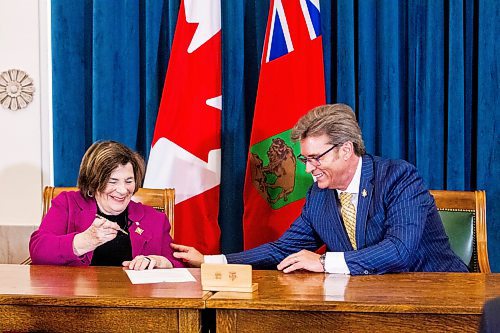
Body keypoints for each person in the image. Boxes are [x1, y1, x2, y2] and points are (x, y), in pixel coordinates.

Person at [172, 103, 468, 275]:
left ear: (346, 150)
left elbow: (399, 251)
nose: (308, 168)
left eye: (316, 158)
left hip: (438, 297)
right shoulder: (319, 195)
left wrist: (324, 261)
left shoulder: (399, 178)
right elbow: (283, 249)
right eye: (305, 158)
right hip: (370, 302)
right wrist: (212, 261)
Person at [30, 140, 183, 270]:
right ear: (93, 181)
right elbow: (38, 251)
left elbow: (179, 265)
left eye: (129, 181)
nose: (123, 190)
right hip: (78, 302)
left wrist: (160, 262)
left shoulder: (154, 218)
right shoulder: (68, 204)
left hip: (135, 302)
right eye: (113, 181)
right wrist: (84, 241)